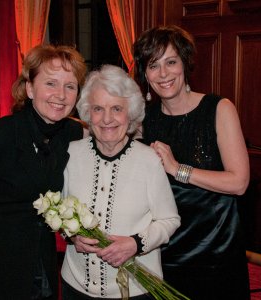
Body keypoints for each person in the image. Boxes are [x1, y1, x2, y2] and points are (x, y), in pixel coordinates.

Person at [133, 25, 251, 300]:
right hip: (164, 250)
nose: (163, 74)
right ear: (144, 74)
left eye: (171, 62)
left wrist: (177, 169)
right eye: (153, 65)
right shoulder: (142, 121)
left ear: (185, 63)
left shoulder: (219, 109)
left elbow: (239, 183)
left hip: (216, 250)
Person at [61, 64, 181, 299]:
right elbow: (60, 211)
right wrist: (72, 236)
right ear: (87, 113)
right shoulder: (70, 154)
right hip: (74, 285)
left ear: (131, 113)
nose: (107, 119)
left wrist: (136, 243)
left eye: (117, 108)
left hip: (134, 289)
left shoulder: (149, 160)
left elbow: (170, 220)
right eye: (98, 108)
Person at [0, 44, 87, 300]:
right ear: (30, 88)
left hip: (43, 265)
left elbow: (112, 131)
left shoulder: (71, 133)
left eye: (70, 86)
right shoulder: (1, 134)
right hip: (0, 266)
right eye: (51, 83)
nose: (61, 95)